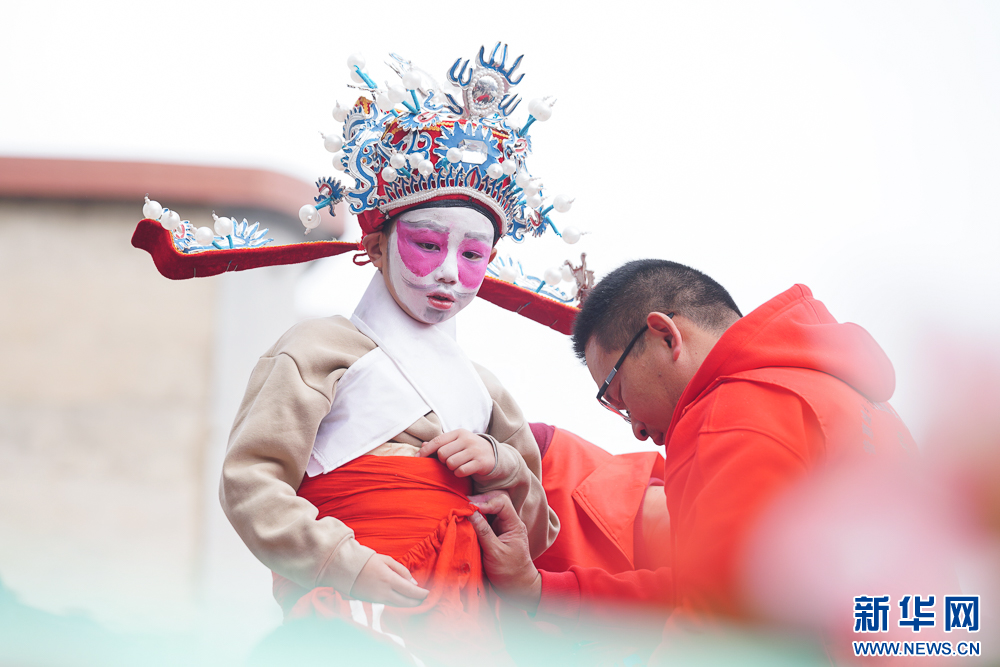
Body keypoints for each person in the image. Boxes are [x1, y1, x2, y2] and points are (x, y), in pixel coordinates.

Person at [216, 46, 573, 667]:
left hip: (463, 627)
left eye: (473, 255)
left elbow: (535, 533)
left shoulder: (485, 391)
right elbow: (250, 480)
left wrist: (502, 465)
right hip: (348, 612)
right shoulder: (315, 349)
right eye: (428, 243)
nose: (449, 273)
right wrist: (341, 563)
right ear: (376, 245)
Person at [471, 259, 916, 641]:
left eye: (619, 396)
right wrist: (540, 592)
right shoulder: (848, 396)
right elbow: (711, 589)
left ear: (666, 336)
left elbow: (718, 627)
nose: (636, 429)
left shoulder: (734, 411)